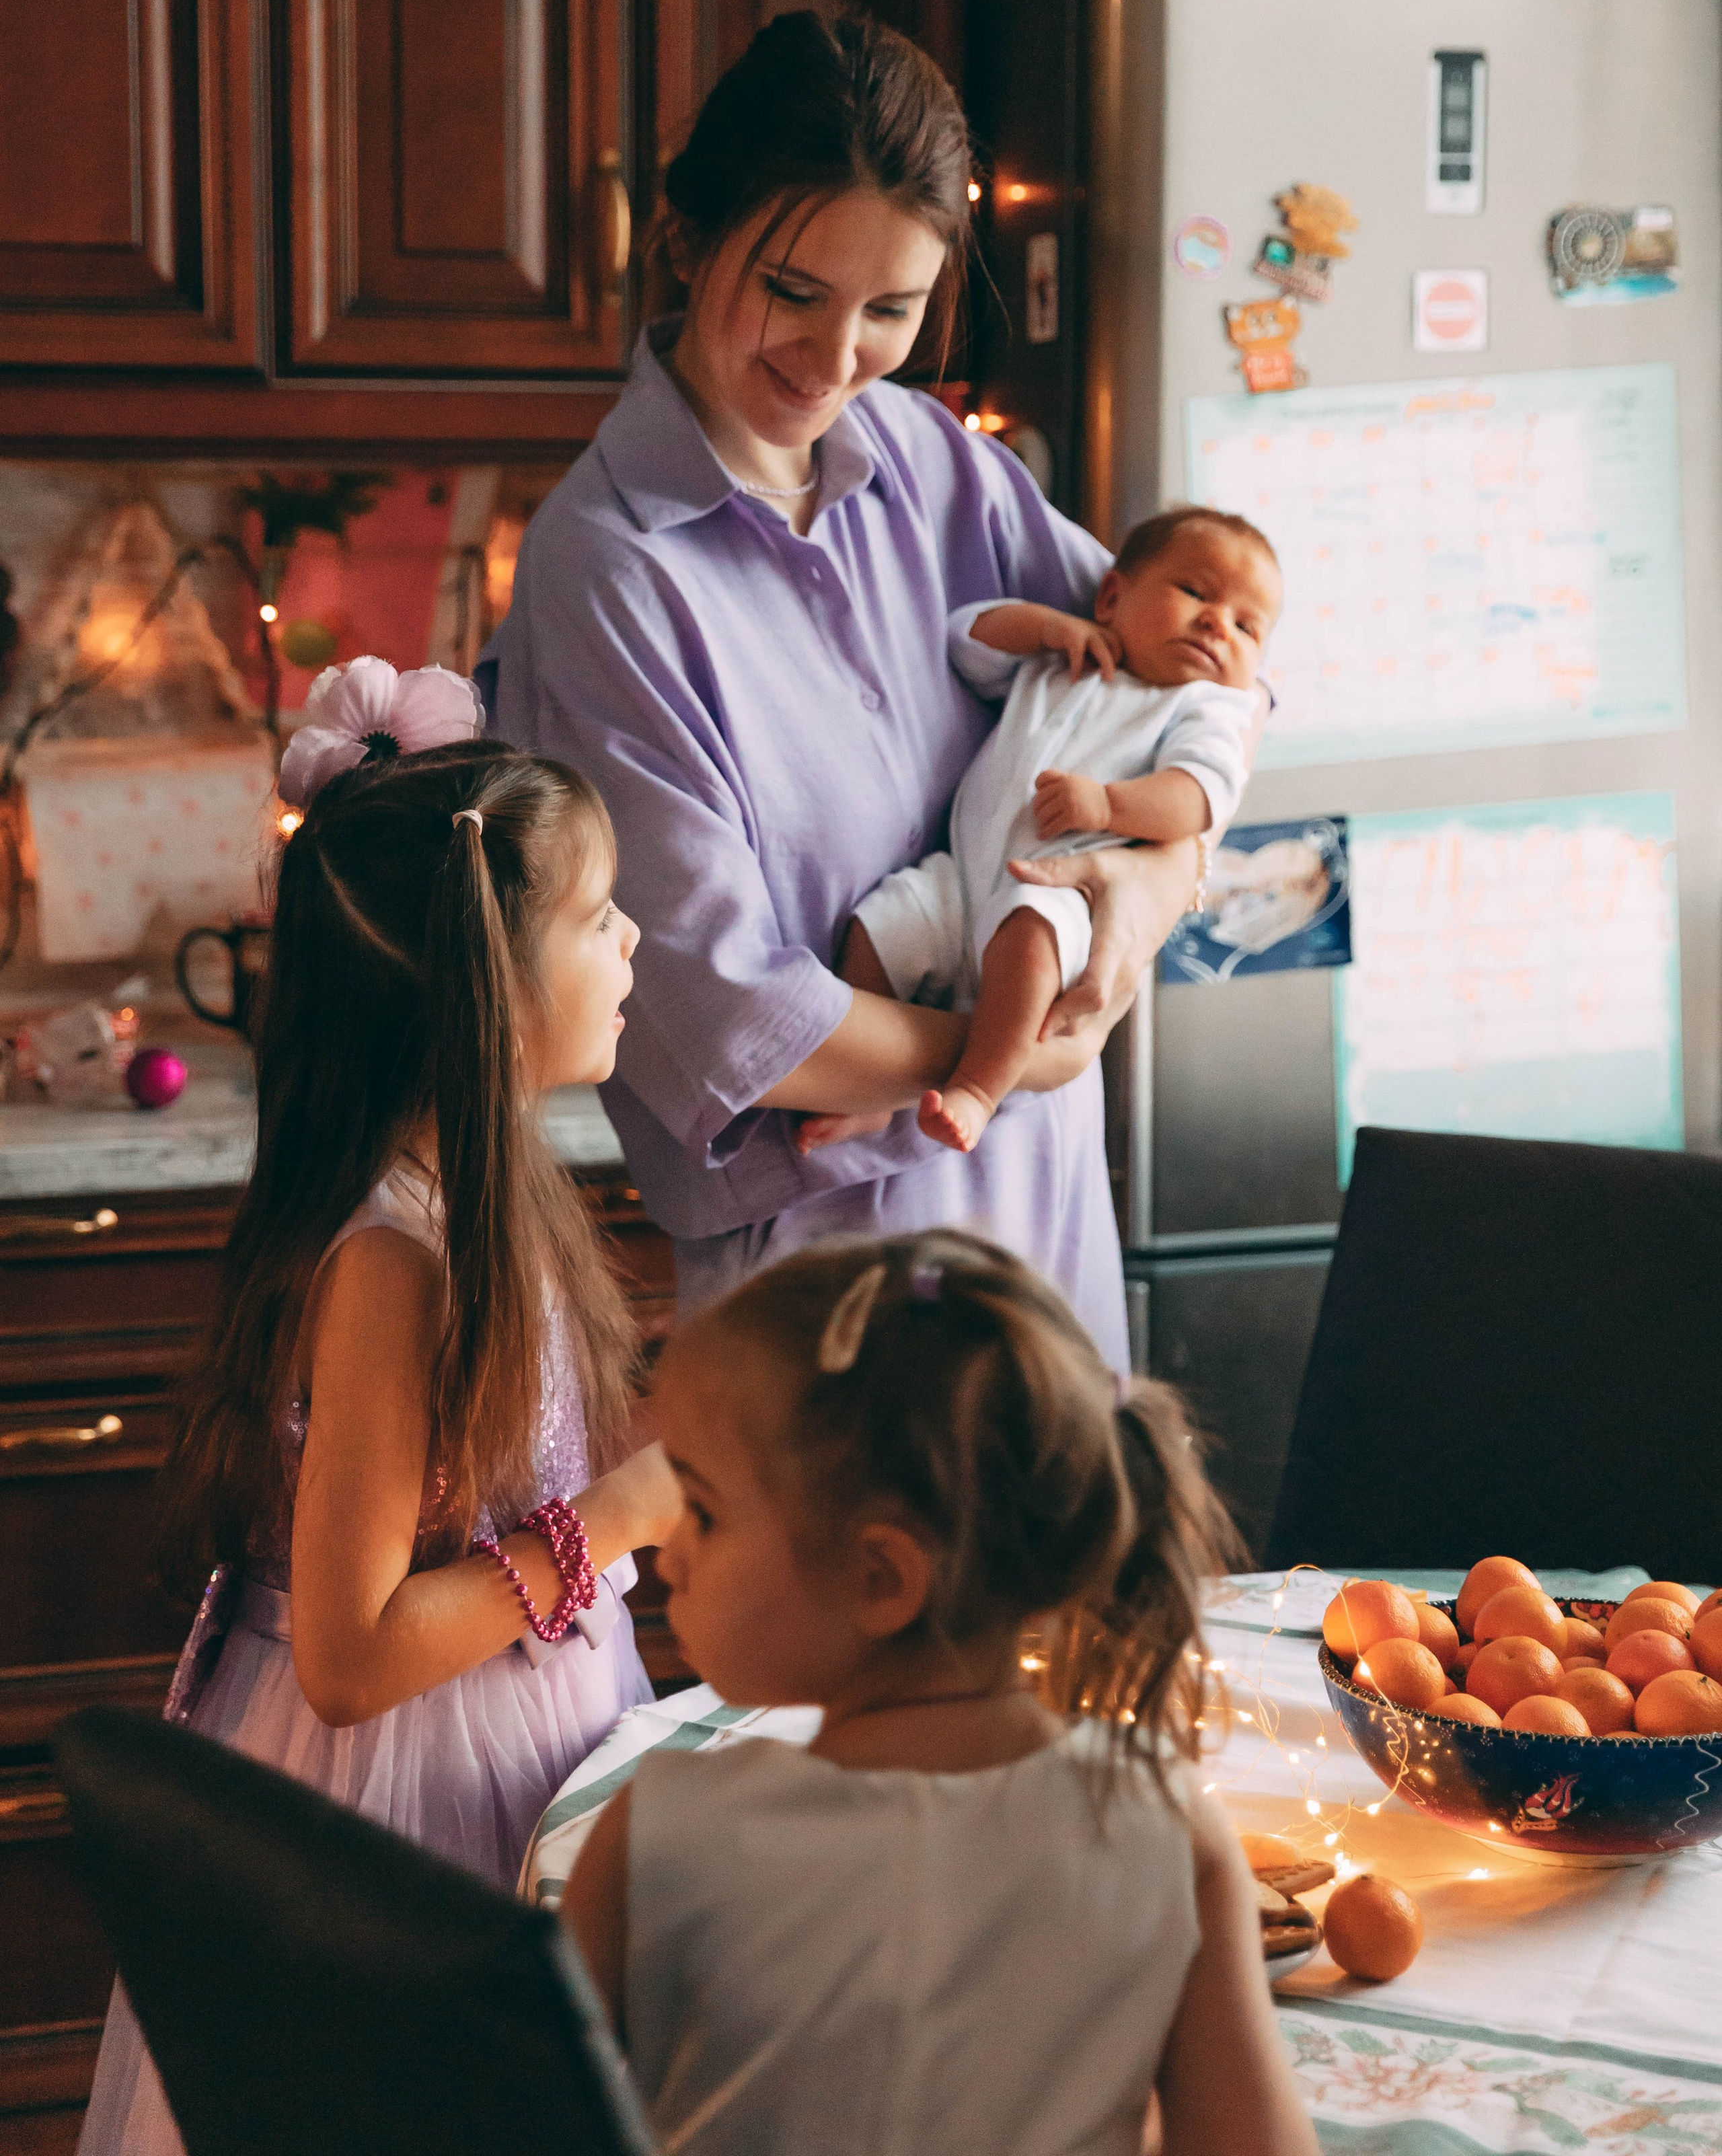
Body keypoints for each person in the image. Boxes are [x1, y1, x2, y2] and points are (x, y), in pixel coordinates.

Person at [482, 11, 1267, 1368]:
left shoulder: (932, 462)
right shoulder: (604, 575)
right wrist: (1026, 1048)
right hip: (823, 1295)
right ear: (685, 239)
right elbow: (733, 1018)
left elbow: (1207, 698)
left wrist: (1140, 902)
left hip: (1045, 1223)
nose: (834, 359)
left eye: (889, 311)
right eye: (790, 290)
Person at [79, 659, 681, 2156]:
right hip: (409, 1786)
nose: (633, 941)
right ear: (491, 975)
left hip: (521, 1724)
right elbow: (350, 1660)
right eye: (597, 917)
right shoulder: (393, 1265)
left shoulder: (484, 1206)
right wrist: (613, 1520)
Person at [563, 1230, 1319, 2156]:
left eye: (705, 1513)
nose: (666, 1550)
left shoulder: (658, 1839)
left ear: (882, 1576)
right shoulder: (1167, 1828)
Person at [837, 505, 1281, 1152]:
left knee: (1030, 934)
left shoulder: (1205, 707)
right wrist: (1044, 628)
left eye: (1248, 626)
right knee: (878, 925)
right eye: (1195, 592)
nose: (1218, 624)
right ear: (1111, 597)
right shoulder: (1064, 660)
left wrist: (1108, 806)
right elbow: (968, 640)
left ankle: (979, 1089)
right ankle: (862, 1090)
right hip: (960, 882)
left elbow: (1198, 797)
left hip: (1060, 889)